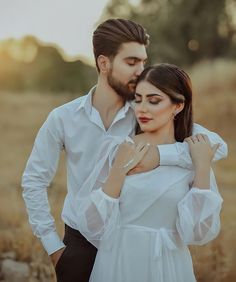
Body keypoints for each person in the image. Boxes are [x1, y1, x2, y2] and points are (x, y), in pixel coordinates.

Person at [21, 19, 227, 282]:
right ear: (104, 63)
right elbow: (34, 181)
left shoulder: (146, 111)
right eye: (132, 62)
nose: (141, 71)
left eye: (143, 62)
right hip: (80, 244)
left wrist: (159, 157)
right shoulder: (63, 118)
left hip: (131, 245)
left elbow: (216, 147)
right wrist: (54, 248)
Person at [73, 63, 225, 282]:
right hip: (118, 261)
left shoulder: (193, 156)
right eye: (138, 99)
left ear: (178, 106)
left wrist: (202, 167)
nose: (141, 108)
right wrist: (118, 170)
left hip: (168, 265)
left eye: (154, 101)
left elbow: (197, 233)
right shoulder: (118, 148)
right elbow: (93, 226)